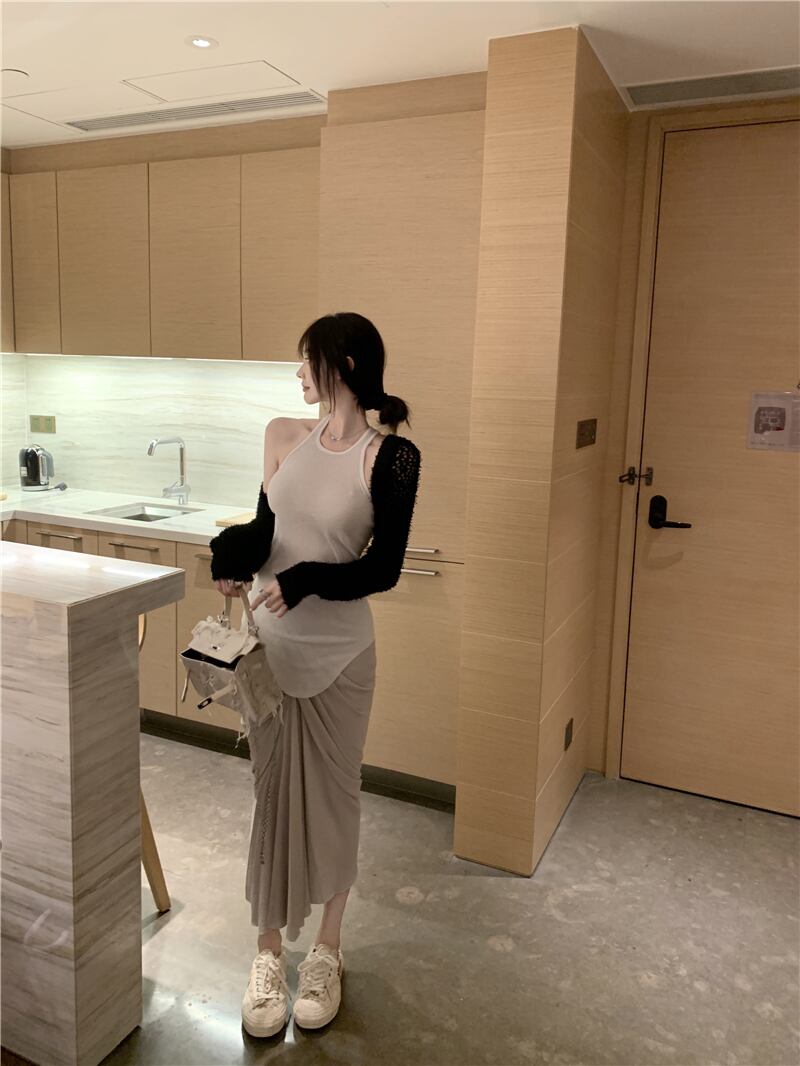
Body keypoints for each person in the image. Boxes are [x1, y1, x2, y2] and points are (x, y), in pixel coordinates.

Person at [208, 312, 421, 1038]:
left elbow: (382, 568)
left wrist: (302, 582)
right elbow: (266, 530)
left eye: (307, 360)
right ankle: (268, 953)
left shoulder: (390, 457)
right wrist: (230, 559)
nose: (298, 373)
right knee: (270, 797)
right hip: (268, 653)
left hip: (340, 658)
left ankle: (327, 949)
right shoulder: (281, 435)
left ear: (344, 364)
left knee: (334, 799)